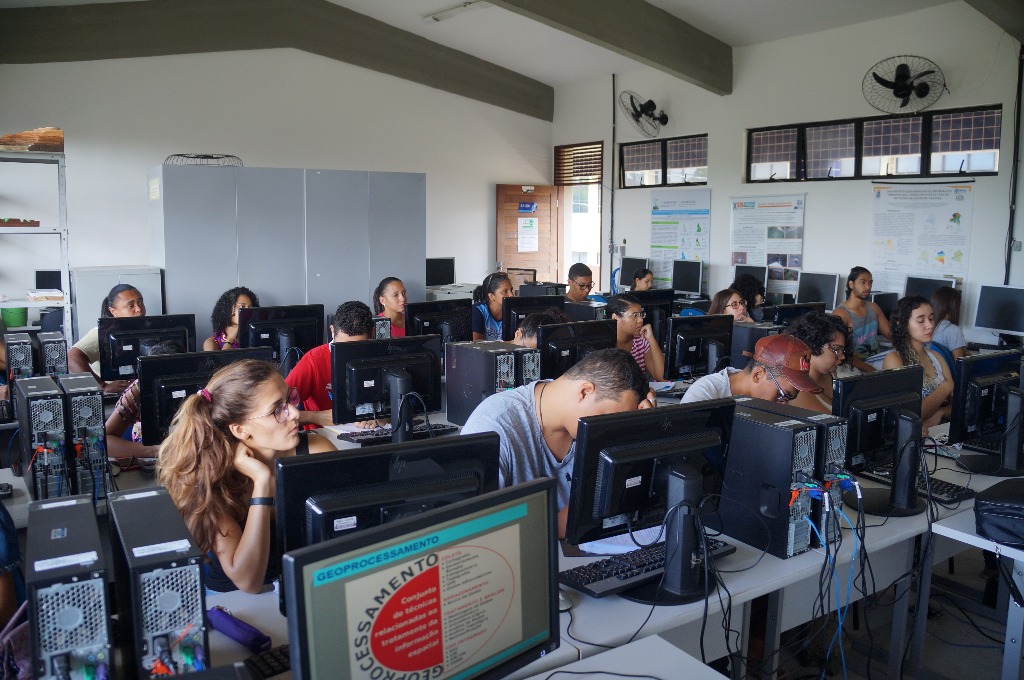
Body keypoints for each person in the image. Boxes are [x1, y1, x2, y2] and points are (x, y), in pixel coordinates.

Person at [158, 359, 334, 594]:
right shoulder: (214, 479)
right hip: (236, 602)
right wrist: (262, 482)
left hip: (306, 588)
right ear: (240, 430)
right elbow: (248, 582)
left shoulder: (316, 450)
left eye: (289, 399)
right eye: (277, 410)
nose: (295, 413)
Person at [461, 348, 655, 537]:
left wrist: (643, 430)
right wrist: (555, 526)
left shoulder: (585, 425)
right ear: (585, 392)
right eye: (609, 420)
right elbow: (471, 534)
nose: (611, 432)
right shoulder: (494, 425)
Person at [285, 301, 375, 428]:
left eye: (358, 347)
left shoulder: (381, 355)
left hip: (371, 431)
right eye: (343, 347)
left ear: (372, 333)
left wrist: (385, 416)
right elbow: (277, 411)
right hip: (325, 435)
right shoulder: (314, 360)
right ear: (332, 331)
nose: (350, 354)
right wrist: (317, 417)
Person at [104, 339, 186, 461]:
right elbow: (105, 440)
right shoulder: (138, 390)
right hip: (153, 458)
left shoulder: (200, 386)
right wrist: (153, 451)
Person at [682, 334, 820, 404]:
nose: (784, 404)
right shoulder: (705, 394)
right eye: (782, 395)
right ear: (758, 374)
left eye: (790, 398)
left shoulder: (764, 404)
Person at [883, 296, 954, 430]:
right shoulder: (894, 359)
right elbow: (912, 413)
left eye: (931, 318)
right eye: (921, 320)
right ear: (902, 324)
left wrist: (941, 412)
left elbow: (957, 405)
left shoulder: (936, 356)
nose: (930, 325)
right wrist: (946, 386)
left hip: (943, 431)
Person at [68, 283, 146, 394]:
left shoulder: (147, 329)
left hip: (138, 393)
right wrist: (102, 386)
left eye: (140, 302)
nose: (139, 309)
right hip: (115, 397)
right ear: (113, 311)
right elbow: (72, 358)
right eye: (130, 306)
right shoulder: (101, 333)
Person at [784, 312, 851, 414]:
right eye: (836, 349)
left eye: (842, 350)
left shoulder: (831, 373)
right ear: (812, 346)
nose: (842, 356)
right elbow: (831, 420)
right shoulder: (798, 391)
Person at [833, 267, 891, 373]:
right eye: (863, 282)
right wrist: (873, 371)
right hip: (852, 364)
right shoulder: (841, 314)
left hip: (874, 359)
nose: (868, 287)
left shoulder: (874, 308)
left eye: (870, 283)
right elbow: (843, 353)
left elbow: (890, 334)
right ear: (851, 284)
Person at [608, 294, 665, 380]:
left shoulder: (641, 341)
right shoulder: (605, 344)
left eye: (641, 315)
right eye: (635, 315)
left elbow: (662, 378)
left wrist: (651, 339)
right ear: (615, 317)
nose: (640, 320)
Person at [203, 286, 260, 351]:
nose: (247, 311)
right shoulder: (212, 342)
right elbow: (223, 357)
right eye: (242, 307)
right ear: (228, 309)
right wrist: (229, 340)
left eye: (250, 307)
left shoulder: (254, 336)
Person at [471, 272, 514, 341]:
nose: (511, 295)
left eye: (511, 290)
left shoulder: (513, 311)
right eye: (505, 291)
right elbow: (476, 342)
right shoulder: (478, 310)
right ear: (491, 296)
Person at [930, 286, 967, 361]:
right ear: (954, 307)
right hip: (947, 368)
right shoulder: (954, 331)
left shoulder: (928, 327)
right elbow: (959, 363)